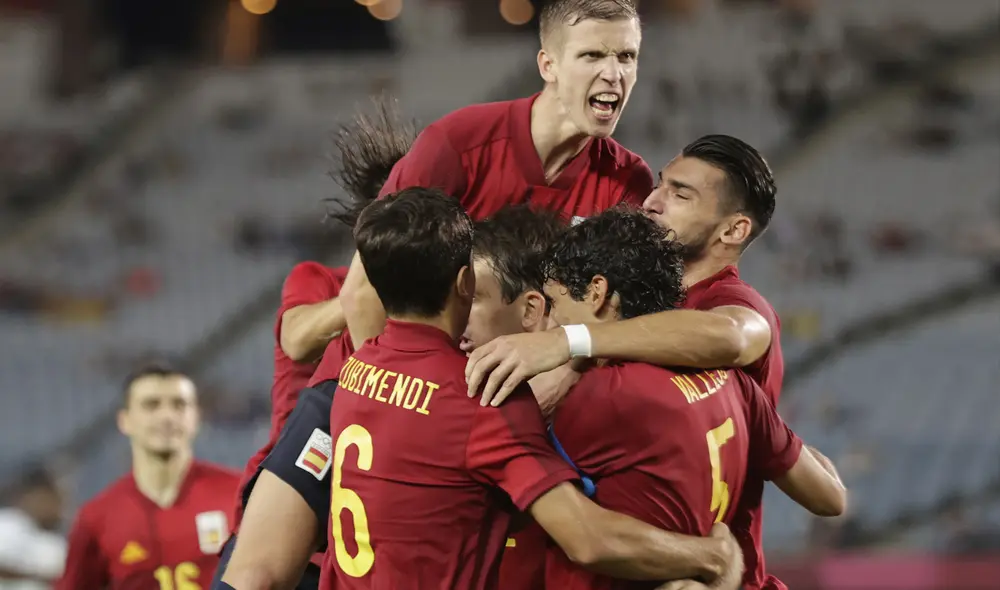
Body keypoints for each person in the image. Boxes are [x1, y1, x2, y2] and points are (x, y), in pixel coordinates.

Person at [465, 134, 792, 589]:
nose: (653, 201)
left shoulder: (730, 302)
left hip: (696, 570)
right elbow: (826, 491)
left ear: (733, 231)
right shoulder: (659, 312)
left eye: (680, 194)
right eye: (660, 184)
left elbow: (733, 337)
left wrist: (571, 344)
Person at [537, 208, 846, 590]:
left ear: (598, 293)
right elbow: (831, 498)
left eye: (555, 303)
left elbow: (577, 533)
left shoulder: (599, 397)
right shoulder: (735, 382)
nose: (550, 323)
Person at [340, 0, 653, 348]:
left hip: (526, 384)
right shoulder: (457, 145)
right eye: (592, 56)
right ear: (548, 66)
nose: (614, 74)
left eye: (627, 56)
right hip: (401, 376)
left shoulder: (628, 181)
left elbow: (613, 322)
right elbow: (364, 292)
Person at [213, 99, 417, 590]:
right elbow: (298, 338)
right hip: (289, 508)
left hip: (363, 538)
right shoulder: (318, 279)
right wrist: (377, 274)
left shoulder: (435, 313)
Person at [57, 363, 240, 589]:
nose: (167, 416)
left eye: (179, 405)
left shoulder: (238, 494)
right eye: (151, 405)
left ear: (196, 418)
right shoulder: (97, 518)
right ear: (124, 420)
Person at [0, 467, 66, 589]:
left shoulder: (56, 544)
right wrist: (40, 577)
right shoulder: (8, 523)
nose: (59, 508)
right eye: (54, 497)